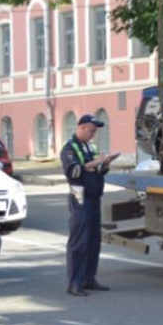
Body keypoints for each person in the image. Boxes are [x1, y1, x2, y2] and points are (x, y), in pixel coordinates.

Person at [60, 114, 119, 296]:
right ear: (83, 127)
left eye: (95, 131)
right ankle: (74, 283)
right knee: (80, 241)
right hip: (80, 198)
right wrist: (93, 163)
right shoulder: (69, 149)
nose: (93, 135)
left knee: (93, 241)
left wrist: (105, 163)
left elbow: (97, 171)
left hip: (94, 196)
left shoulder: (89, 146)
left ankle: (88, 279)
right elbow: (74, 170)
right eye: (92, 130)